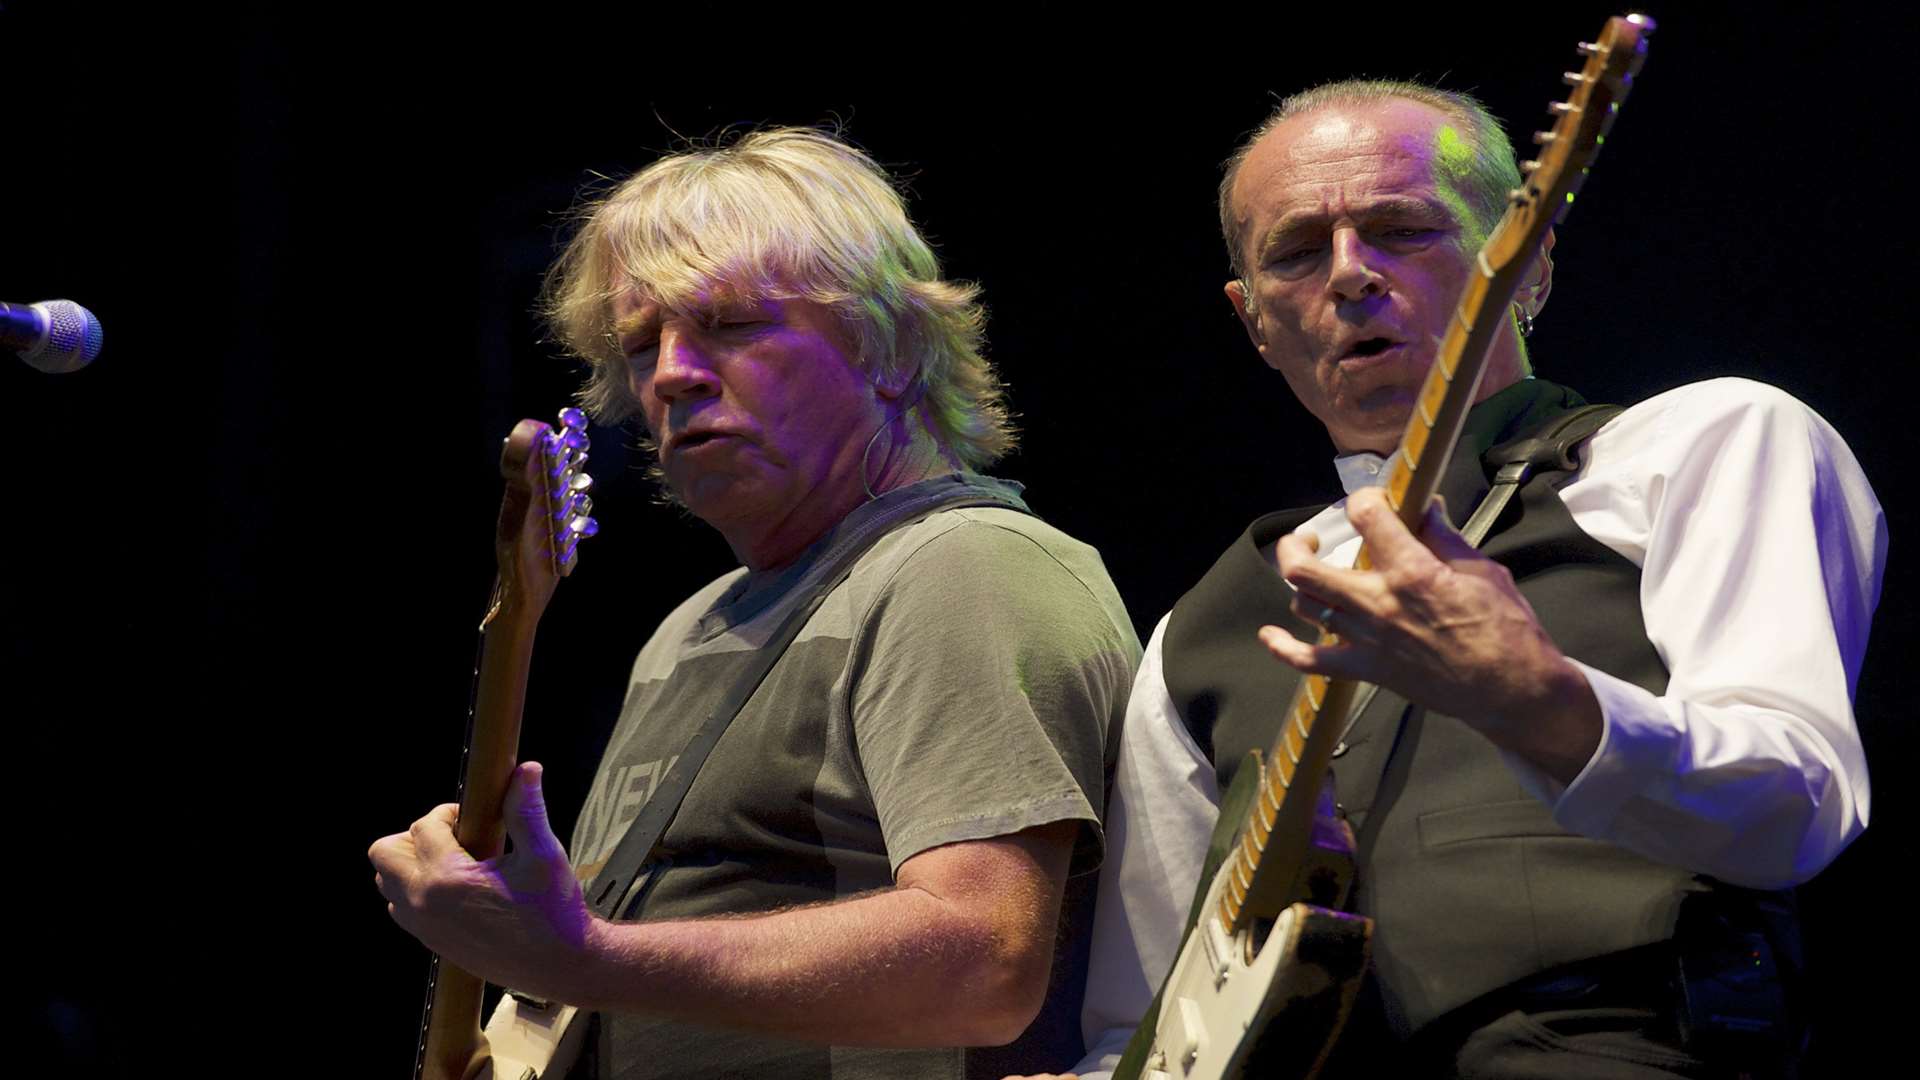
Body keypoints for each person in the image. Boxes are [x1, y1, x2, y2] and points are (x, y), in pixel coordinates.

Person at [1065, 81, 1884, 1078]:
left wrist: (1539, 698)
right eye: (1296, 251)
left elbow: (1792, 803)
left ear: (1530, 263)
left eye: (1402, 230)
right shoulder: (1204, 626)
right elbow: (1145, 1021)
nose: (1351, 274)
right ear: (1254, 322)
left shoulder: (1701, 443)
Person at [369, 127, 1141, 1079]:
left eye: (730, 324)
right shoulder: (687, 629)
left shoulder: (964, 565)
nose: (671, 373)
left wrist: (585, 957)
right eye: (643, 341)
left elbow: (984, 961)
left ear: (890, 347)